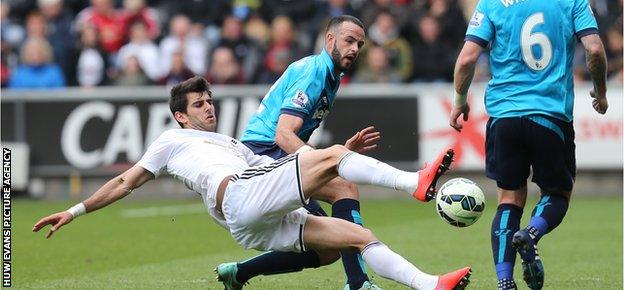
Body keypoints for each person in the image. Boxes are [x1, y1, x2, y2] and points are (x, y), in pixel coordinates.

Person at [33, 76, 472, 290]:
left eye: (209, 100)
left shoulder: (230, 143)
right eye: (198, 104)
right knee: (336, 162)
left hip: (246, 219)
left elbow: (282, 165)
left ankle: (430, 285)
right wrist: (75, 211)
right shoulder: (170, 140)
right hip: (238, 197)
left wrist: (335, 156)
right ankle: (417, 182)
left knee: (356, 237)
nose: (208, 107)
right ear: (181, 116)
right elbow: (126, 182)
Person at [237, 15, 417, 290]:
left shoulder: (330, 76)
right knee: (343, 189)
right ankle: (358, 283)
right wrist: (328, 161)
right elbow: (283, 134)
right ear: (329, 39)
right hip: (265, 153)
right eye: (349, 41)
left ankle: (238, 273)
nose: (355, 49)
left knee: (329, 248)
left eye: (359, 43)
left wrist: (338, 154)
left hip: (276, 153)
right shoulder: (315, 72)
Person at [449, 1, 608, 290]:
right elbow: (594, 49)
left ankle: (504, 280)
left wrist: (459, 102)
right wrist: (600, 90)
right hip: (551, 115)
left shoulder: (492, 3)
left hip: (504, 117)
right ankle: (531, 233)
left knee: (509, 198)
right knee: (558, 193)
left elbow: (466, 59)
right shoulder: (572, 1)